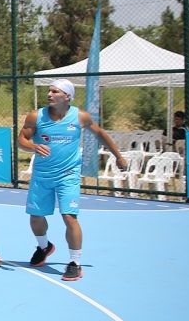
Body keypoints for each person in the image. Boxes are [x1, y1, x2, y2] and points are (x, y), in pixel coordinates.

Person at [17, 78, 127, 282]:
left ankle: (75, 263)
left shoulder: (80, 117)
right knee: (36, 217)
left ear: (67, 96)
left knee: (69, 217)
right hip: (42, 175)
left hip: (68, 175)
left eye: (55, 91)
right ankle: (44, 247)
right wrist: (33, 146)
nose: (49, 94)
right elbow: (21, 140)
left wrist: (118, 156)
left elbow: (100, 134)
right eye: (49, 91)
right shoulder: (36, 116)